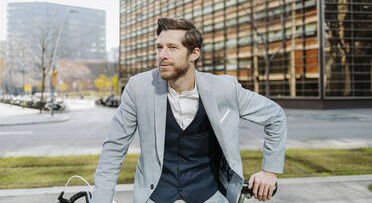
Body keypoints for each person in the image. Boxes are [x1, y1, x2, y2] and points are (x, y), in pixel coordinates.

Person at [91, 18, 287, 203]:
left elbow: (275, 116)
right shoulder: (139, 87)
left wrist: (269, 171)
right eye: (159, 48)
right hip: (155, 196)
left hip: (210, 196)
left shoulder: (224, 89)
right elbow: (113, 149)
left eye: (172, 48)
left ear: (194, 54)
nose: (162, 55)